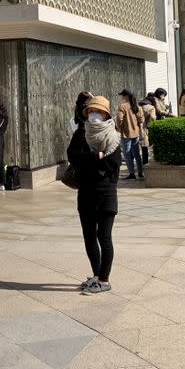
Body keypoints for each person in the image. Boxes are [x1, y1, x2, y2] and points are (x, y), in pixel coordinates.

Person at [67, 94, 122, 294]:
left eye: (97, 111)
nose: (93, 115)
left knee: (104, 236)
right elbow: (73, 156)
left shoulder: (113, 135)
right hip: (86, 192)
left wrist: (89, 162)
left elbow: (112, 163)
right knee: (89, 236)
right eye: (91, 111)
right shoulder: (81, 133)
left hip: (106, 193)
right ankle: (97, 274)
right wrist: (94, 157)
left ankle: (105, 280)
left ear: (105, 114)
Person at [116, 89, 144, 180]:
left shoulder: (122, 106)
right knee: (136, 154)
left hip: (126, 134)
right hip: (136, 133)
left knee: (127, 154)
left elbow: (119, 119)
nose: (122, 97)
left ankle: (132, 173)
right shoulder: (137, 106)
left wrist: (119, 128)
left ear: (126, 96)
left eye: (123, 96)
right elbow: (141, 120)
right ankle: (140, 172)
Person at [139, 95, 157, 165]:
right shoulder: (151, 107)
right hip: (144, 128)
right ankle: (145, 163)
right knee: (145, 146)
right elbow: (153, 118)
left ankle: (139, 166)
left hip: (136, 128)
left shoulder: (138, 107)